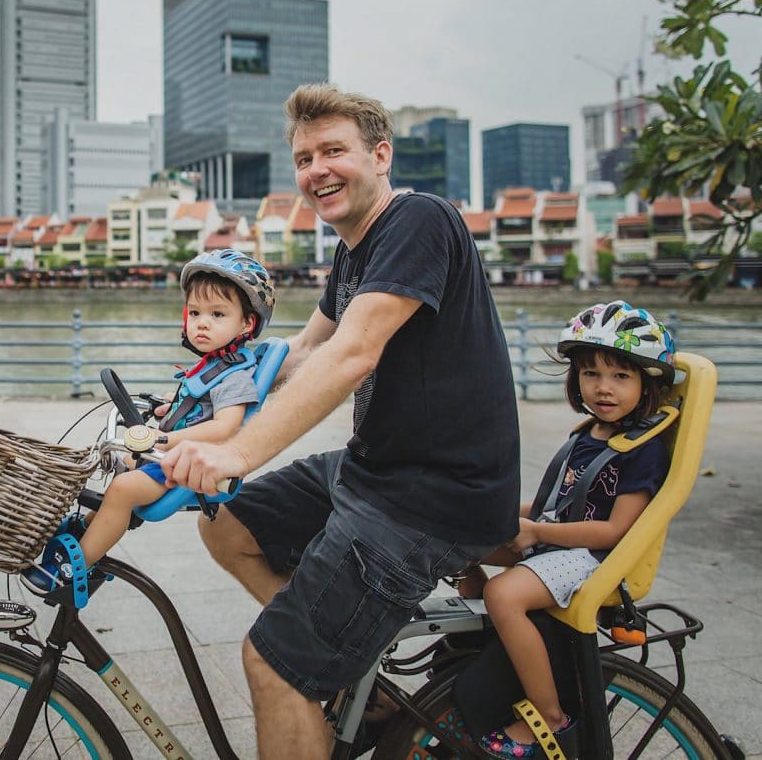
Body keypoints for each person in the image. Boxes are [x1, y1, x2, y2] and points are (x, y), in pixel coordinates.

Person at [160, 83, 521, 759]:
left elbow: (353, 353)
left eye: (334, 151)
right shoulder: (355, 250)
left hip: (431, 501)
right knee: (227, 522)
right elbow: (301, 356)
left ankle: (312, 666)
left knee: (275, 665)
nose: (316, 170)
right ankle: (348, 662)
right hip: (375, 472)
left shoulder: (419, 222)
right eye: (304, 158)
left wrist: (237, 453)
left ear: (380, 156)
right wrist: (190, 413)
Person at [467, 300, 674, 759]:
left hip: (594, 559)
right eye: (591, 374)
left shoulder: (643, 452)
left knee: (505, 595)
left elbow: (615, 532)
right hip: (561, 543)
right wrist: (493, 512)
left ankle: (550, 716)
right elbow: (554, 507)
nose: (603, 388)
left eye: (621, 376)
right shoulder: (589, 435)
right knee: (459, 540)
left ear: (646, 385)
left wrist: (536, 533)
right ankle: (478, 646)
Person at [21, 248, 275, 595]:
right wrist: (167, 407)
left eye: (218, 314)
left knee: (124, 489)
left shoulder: (234, 376)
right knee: (121, 465)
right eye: (196, 312)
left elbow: (226, 426)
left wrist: (164, 439)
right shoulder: (213, 367)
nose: (202, 322)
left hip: (189, 464)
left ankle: (71, 569)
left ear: (246, 324)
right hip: (170, 456)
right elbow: (198, 404)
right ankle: (88, 529)